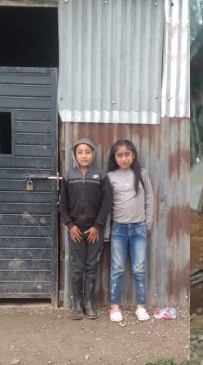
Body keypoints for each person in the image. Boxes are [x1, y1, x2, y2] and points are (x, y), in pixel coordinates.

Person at [59, 138, 112, 320]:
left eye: (88, 152)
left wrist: (97, 226)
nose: (84, 156)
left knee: (91, 266)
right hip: (75, 230)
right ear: (75, 155)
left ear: (93, 155)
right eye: (80, 152)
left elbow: (107, 204)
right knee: (77, 267)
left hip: (94, 230)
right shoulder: (68, 176)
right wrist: (70, 225)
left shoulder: (101, 175)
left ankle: (89, 303)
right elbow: (62, 205)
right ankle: (77, 304)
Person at [106, 139, 154, 322]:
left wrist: (148, 224)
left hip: (139, 228)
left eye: (127, 154)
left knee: (139, 268)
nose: (124, 159)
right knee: (117, 268)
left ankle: (140, 306)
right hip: (118, 228)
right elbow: (107, 206)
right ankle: (114, 307)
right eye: (120, 155)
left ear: (133, 155)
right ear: (114, 157)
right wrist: (107, 230)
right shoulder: (110, 177)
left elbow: (149, 199)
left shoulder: (142, 175)